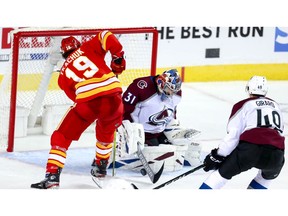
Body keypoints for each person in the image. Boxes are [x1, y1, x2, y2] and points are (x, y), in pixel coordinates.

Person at [31, 30, 126, 189]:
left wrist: (91, 109)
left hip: (88, 102)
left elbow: (75, 97)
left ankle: (52, 176)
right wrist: (118, 56)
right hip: (115, 98)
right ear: (78, 45)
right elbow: (105, 34)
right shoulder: (88, 47)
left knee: (61, 136)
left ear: (63, 55)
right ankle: (100, 167)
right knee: (105, 132)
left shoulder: (62, 76)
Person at [199, 75, 285, 189]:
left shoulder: (243, 104)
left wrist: (217, 156)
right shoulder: (276, 106)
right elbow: (279, 131)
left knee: (218, 177)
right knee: (265, 179)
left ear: (249, 88)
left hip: (250, 150)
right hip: (276, 154)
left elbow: (233, 136)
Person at [119, 69, 202, 172]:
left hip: (159, 132)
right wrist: (129, 131)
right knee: (162, 153)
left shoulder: (176, 93)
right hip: (141, 134)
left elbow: (171, 112)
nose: (171, 94)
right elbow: (124, 109)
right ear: (161, 83)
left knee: (181, 148)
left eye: (174, 91)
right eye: (169, 90)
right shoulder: (141, 87)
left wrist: (173, 129)